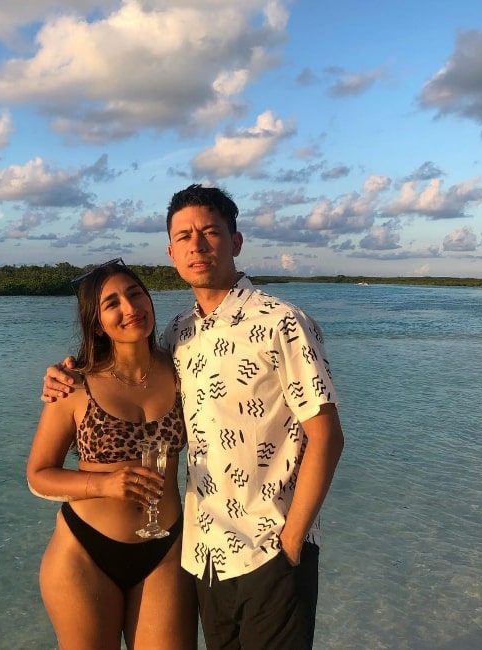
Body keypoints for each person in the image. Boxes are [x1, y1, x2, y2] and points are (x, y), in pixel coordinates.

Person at [42, 185, 345, 650]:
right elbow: (125, 372)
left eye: (209, 232)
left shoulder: (281, 321)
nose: (197, 245)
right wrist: (63, 373)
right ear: (171, 252)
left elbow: (326, 436)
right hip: (205, 553)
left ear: (235, 242)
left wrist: (293, 541)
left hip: (270, 547)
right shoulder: (178, 334)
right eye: (184, 236)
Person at [27, 259, 197, 650]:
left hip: (165, 549)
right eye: (112, 303)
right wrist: (103, 483)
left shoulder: (183, 369)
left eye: (135, 294)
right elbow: (38, 474)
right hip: (85, 553)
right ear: (97, 322)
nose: (130, 307)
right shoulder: (74, 385)